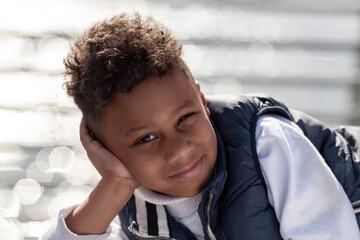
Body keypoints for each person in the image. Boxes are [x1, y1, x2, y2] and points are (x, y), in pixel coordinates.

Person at [42, 13, 360, 240]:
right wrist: (113, 185)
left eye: (185, 118)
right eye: (146, 138)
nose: (179, 149)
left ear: (201, 98)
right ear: (103, 148)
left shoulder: (265, 142)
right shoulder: (134, 211)